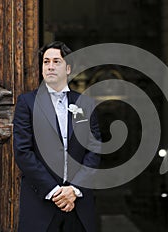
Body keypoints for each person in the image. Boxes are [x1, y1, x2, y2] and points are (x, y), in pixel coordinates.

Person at [13, 41, 101, 232]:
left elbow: (94, 151)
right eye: (46, 62)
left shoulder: (85, 104)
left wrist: (74, 190)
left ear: (68, 68)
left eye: (56, 61)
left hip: (78, 205)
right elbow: (23, 152)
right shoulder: (26, 103)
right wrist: (55, 192)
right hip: (41, 205)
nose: (50, 66)